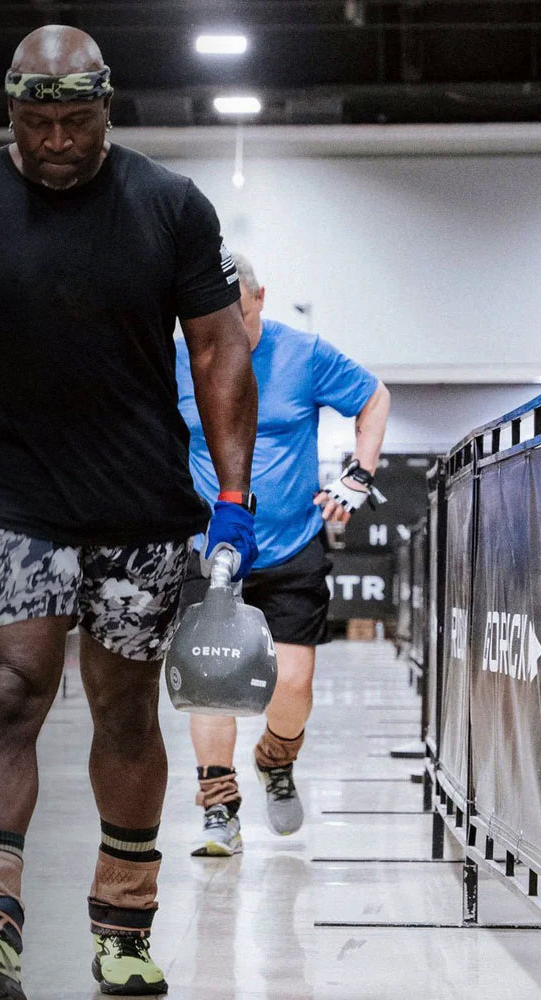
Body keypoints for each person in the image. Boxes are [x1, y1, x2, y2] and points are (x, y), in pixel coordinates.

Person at [0, 24, 259, 1000]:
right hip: (5, 493)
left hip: (139, 502)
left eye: (76, 122)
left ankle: (123, 927)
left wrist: (232, 496)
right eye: (36, 122)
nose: (56, 141)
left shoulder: (169, 204)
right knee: (8, 691)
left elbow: (219, 347)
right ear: (10, 110)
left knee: (126, 710)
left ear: (106, 107)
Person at [176, 253, 390, 858]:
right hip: (210, 550)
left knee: (293, 685)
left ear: (261, 298)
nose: (230, 332)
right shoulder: (179, 359)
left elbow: (374, 397)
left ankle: (275, 757)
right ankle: (219, 806)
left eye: (241, 317)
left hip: (292, 544)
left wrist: (359, 472)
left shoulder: (304, 354)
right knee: (210, 684)